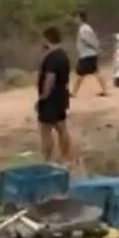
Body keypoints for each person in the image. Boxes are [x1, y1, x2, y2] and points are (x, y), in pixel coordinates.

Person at [37, 26, 73, 163]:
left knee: (45, 130)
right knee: (62, 128)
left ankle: (47, 159)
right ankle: (66, 157)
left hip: (51, 98)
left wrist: (43, 96)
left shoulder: (51, 58)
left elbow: (50, 78)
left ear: (47, 39)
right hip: (61, 96)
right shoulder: (63, 55)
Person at [71, 12, 108, 97]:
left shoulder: (84, 29)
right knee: (95, 72)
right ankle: (104, 90)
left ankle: (73, 93)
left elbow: (88, 40)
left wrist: (96, 47)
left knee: (80, 74)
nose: (75, 20)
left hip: (87, 55)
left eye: (76, 17)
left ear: (80, 18)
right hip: (88, 54)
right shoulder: (85, 28)